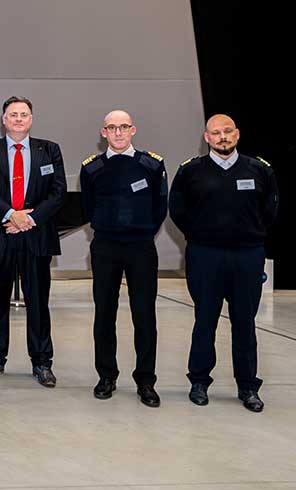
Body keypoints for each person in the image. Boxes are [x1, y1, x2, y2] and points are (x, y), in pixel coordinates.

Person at [169, 114, 278, 413]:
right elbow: (177, 209)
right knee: (205, 321)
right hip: (205, 256)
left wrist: (248, 234)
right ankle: (199, 382)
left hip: (247, 256)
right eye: (215, 133)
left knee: (245, 322)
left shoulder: (259, 169)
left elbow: (271, 209)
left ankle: (247, 387)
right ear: (206, 138)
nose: (222, 137)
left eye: (227, 131)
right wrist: (201, 235)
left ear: (238, 134)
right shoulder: (190, 171)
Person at [0, 95, 66, 387]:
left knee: (38, 301)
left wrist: (30, 219)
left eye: (23, 114)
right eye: (12, 114)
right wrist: (11, 215)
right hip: (0, 237)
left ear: (31, 118)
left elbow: (58, 191)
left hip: (36, 237)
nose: (18, 119)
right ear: (3, 119)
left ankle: (42, 362)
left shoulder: (49, 150)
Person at [79, 110, 166, 408]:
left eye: (123, 127)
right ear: (103, 132)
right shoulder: (91, 168)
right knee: (104, 313)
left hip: (141, 247)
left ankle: (146, 381)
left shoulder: (152, 164)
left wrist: (141, 231)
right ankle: (106, 376)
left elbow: (160, 207)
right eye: (112, 128)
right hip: (105, 246)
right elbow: (88, 208)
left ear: (133, 130)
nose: (118, 132)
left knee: (144, 315)